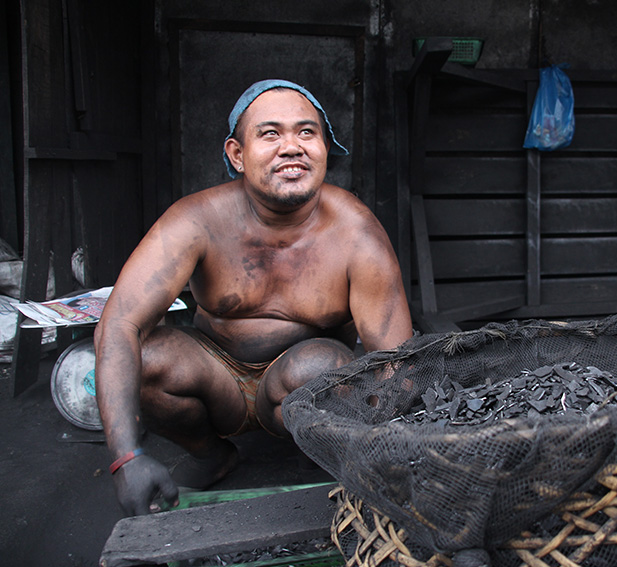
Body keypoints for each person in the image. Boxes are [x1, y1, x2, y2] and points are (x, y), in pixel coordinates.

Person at [94, 79, 413, 516]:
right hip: (215, 379)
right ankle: (212, 455)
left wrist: (403, 459)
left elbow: (397, 361)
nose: (292, 147)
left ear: (324, 148)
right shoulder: (197, 219)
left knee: (321, 364)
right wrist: (126, 457)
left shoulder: (357, 233)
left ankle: (321, 460)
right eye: (270, 133)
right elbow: (120, 324)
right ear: (236, 155)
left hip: (299, 391)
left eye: (307, 132)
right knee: (147, 358)